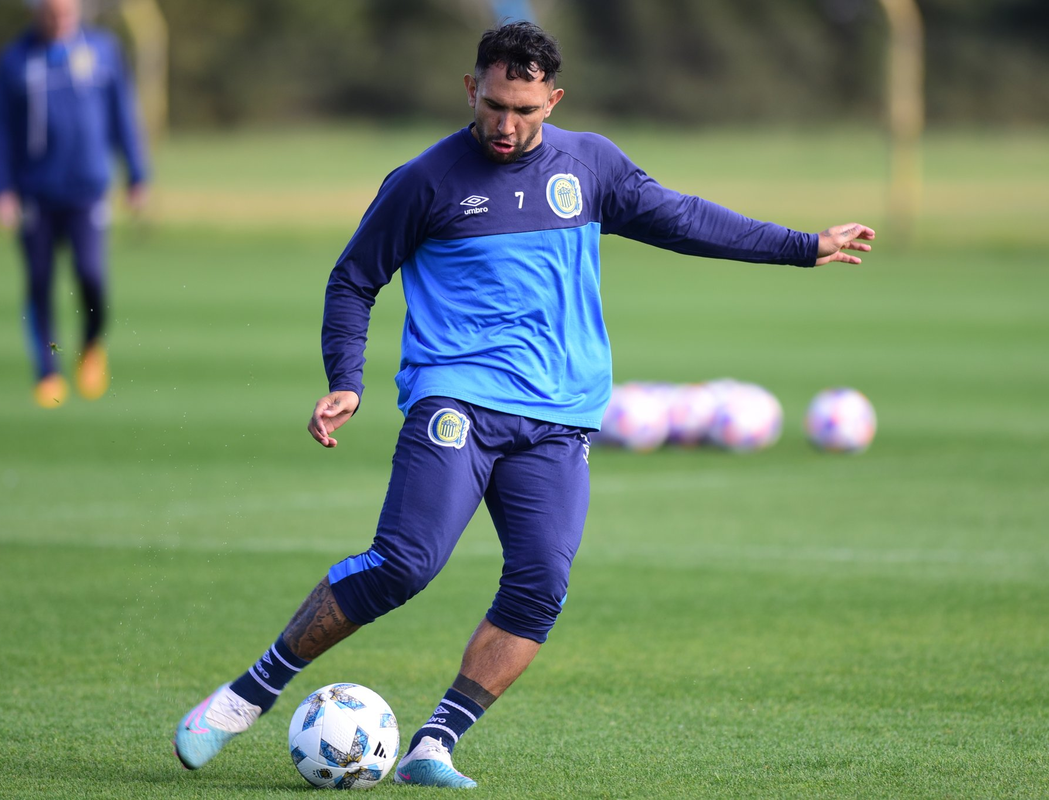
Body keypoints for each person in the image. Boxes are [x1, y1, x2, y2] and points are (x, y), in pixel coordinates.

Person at [174, 21, 874, 789]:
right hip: (459, 401)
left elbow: (683, 219)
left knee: (541, 584)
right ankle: (247, 695)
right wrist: (347, 377)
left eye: (526, 111)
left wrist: (802, 245)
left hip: (559, 416)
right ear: (470, 89)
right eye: (495, 104)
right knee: (406, 564)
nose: (507, 125)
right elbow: (353, 280)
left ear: (554, 100)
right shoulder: (424, 181)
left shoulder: (590, 164)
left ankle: (433, 745)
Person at [0, 0, 148, 408]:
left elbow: (122, 115)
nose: (59, 19)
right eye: (51, 12)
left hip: (88, 189)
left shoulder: (102, 51)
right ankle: (47, 371)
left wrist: (137, 174)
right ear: (35, 12)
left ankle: (91, 345)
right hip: (36, 192)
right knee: (39, 282)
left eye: (67, 11)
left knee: (90, 275)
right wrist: (0, 188)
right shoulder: (15, 60)